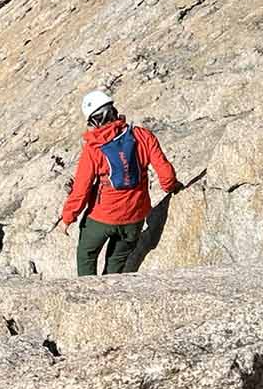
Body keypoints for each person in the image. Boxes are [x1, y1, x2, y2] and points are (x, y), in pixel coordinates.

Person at [53, 89, 183, 276]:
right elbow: (166, 175)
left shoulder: (94, 149)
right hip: (134, 217)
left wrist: (67, 219)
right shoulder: (142, 136)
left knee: (87, 256)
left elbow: (81, 189)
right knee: (116, 264)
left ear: (93, 121)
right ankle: (110, 294)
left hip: (101, 218)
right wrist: (172, 187)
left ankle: (89, 297)